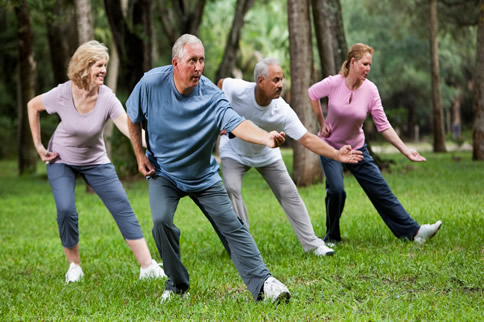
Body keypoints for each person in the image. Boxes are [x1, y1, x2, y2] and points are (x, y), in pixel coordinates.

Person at [126, 34, 291, 303]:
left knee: (233, 226)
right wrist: (138, 154)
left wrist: (265, 137)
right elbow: (133, 117)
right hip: (164, 172)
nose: (199, 67)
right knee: (160, 222)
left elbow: (238, 123)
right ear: (176, 63)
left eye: (202, 60)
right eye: (193, 61)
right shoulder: (151, 83)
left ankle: (265, 284)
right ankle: (177, 284)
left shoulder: (212, 97)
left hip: (202, 176)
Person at [27, 40, 166, 283]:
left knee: (122, 206)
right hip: (61, 158)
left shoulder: (107, 98)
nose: (103, 70)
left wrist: (156, 142)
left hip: (95, 160)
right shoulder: (63, 92)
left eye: (105, 65)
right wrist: (38, 146)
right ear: (84, 67)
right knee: (66, 209)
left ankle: (147, 266)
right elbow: (33, 106)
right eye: (98, 65)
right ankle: (74, 266)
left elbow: (127, 126)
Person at [217, 58, 363, 257]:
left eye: (282, 80)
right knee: (232, 188)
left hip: (267, 154)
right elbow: (221, 84)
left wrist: (336, 153)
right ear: (260, 81)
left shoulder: (282, 110)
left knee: (290, 194)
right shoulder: (239, 89)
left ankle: (313, 244)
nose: (281, 85)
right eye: (276, 80)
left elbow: (307, 139)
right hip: (234, 151)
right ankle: (243, 245)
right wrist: (222, 116)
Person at [308, 43, 442, 244]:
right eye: (364, 64)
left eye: (370, 65)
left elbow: (383, 125)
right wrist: (321, 121)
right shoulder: (334, 83)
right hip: (331, 147)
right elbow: (312, 93)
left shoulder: (370, 90)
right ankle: (332, 237)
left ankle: (414, 233)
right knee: (336, 190)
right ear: (352, 62)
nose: (368, 69)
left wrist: (405, 150)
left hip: (357, 148)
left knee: (381, 190)